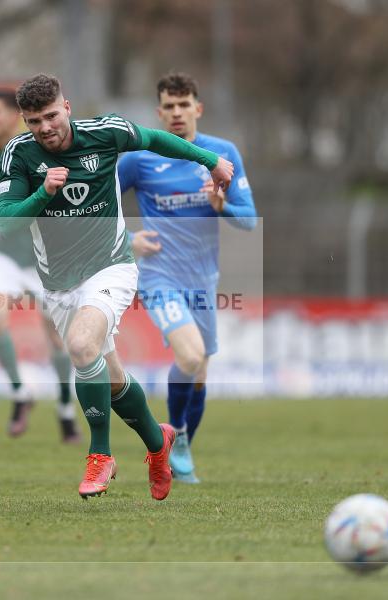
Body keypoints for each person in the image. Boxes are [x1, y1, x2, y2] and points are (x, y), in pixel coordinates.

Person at [0, 74, 233, 500]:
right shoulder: (19, 153)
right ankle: (157, 443)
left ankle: (100, 454)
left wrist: (208, 159)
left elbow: (158, 141)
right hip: (60, 283)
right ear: (24, 121)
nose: (45, 128)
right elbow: (9, 222)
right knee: (110, 376)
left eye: (51, 116)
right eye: (34, 121)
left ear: (66, 107)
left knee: (83, 346)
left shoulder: (107, 132)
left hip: (112, 266)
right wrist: (43, 193)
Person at [118, 73, 257, 484]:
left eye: (184, 105)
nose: (177, 113)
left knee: (199, 372)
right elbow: (97, 205)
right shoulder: (140, 157)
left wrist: (222, 207)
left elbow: (248, 220)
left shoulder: (221, 153)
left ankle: (181, 448)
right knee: (191, 355)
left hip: (203, 280)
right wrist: (127, 238)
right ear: (159, 113)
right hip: (159, 275)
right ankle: (173, 435)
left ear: (198, 108)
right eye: (169, 106)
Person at [0, 88, 78, 442]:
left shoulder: (31, 148)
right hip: (5, 254)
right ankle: (20, 392)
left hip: (41, 257)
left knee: (57, 339)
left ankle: (65, 409)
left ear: (13, 117)